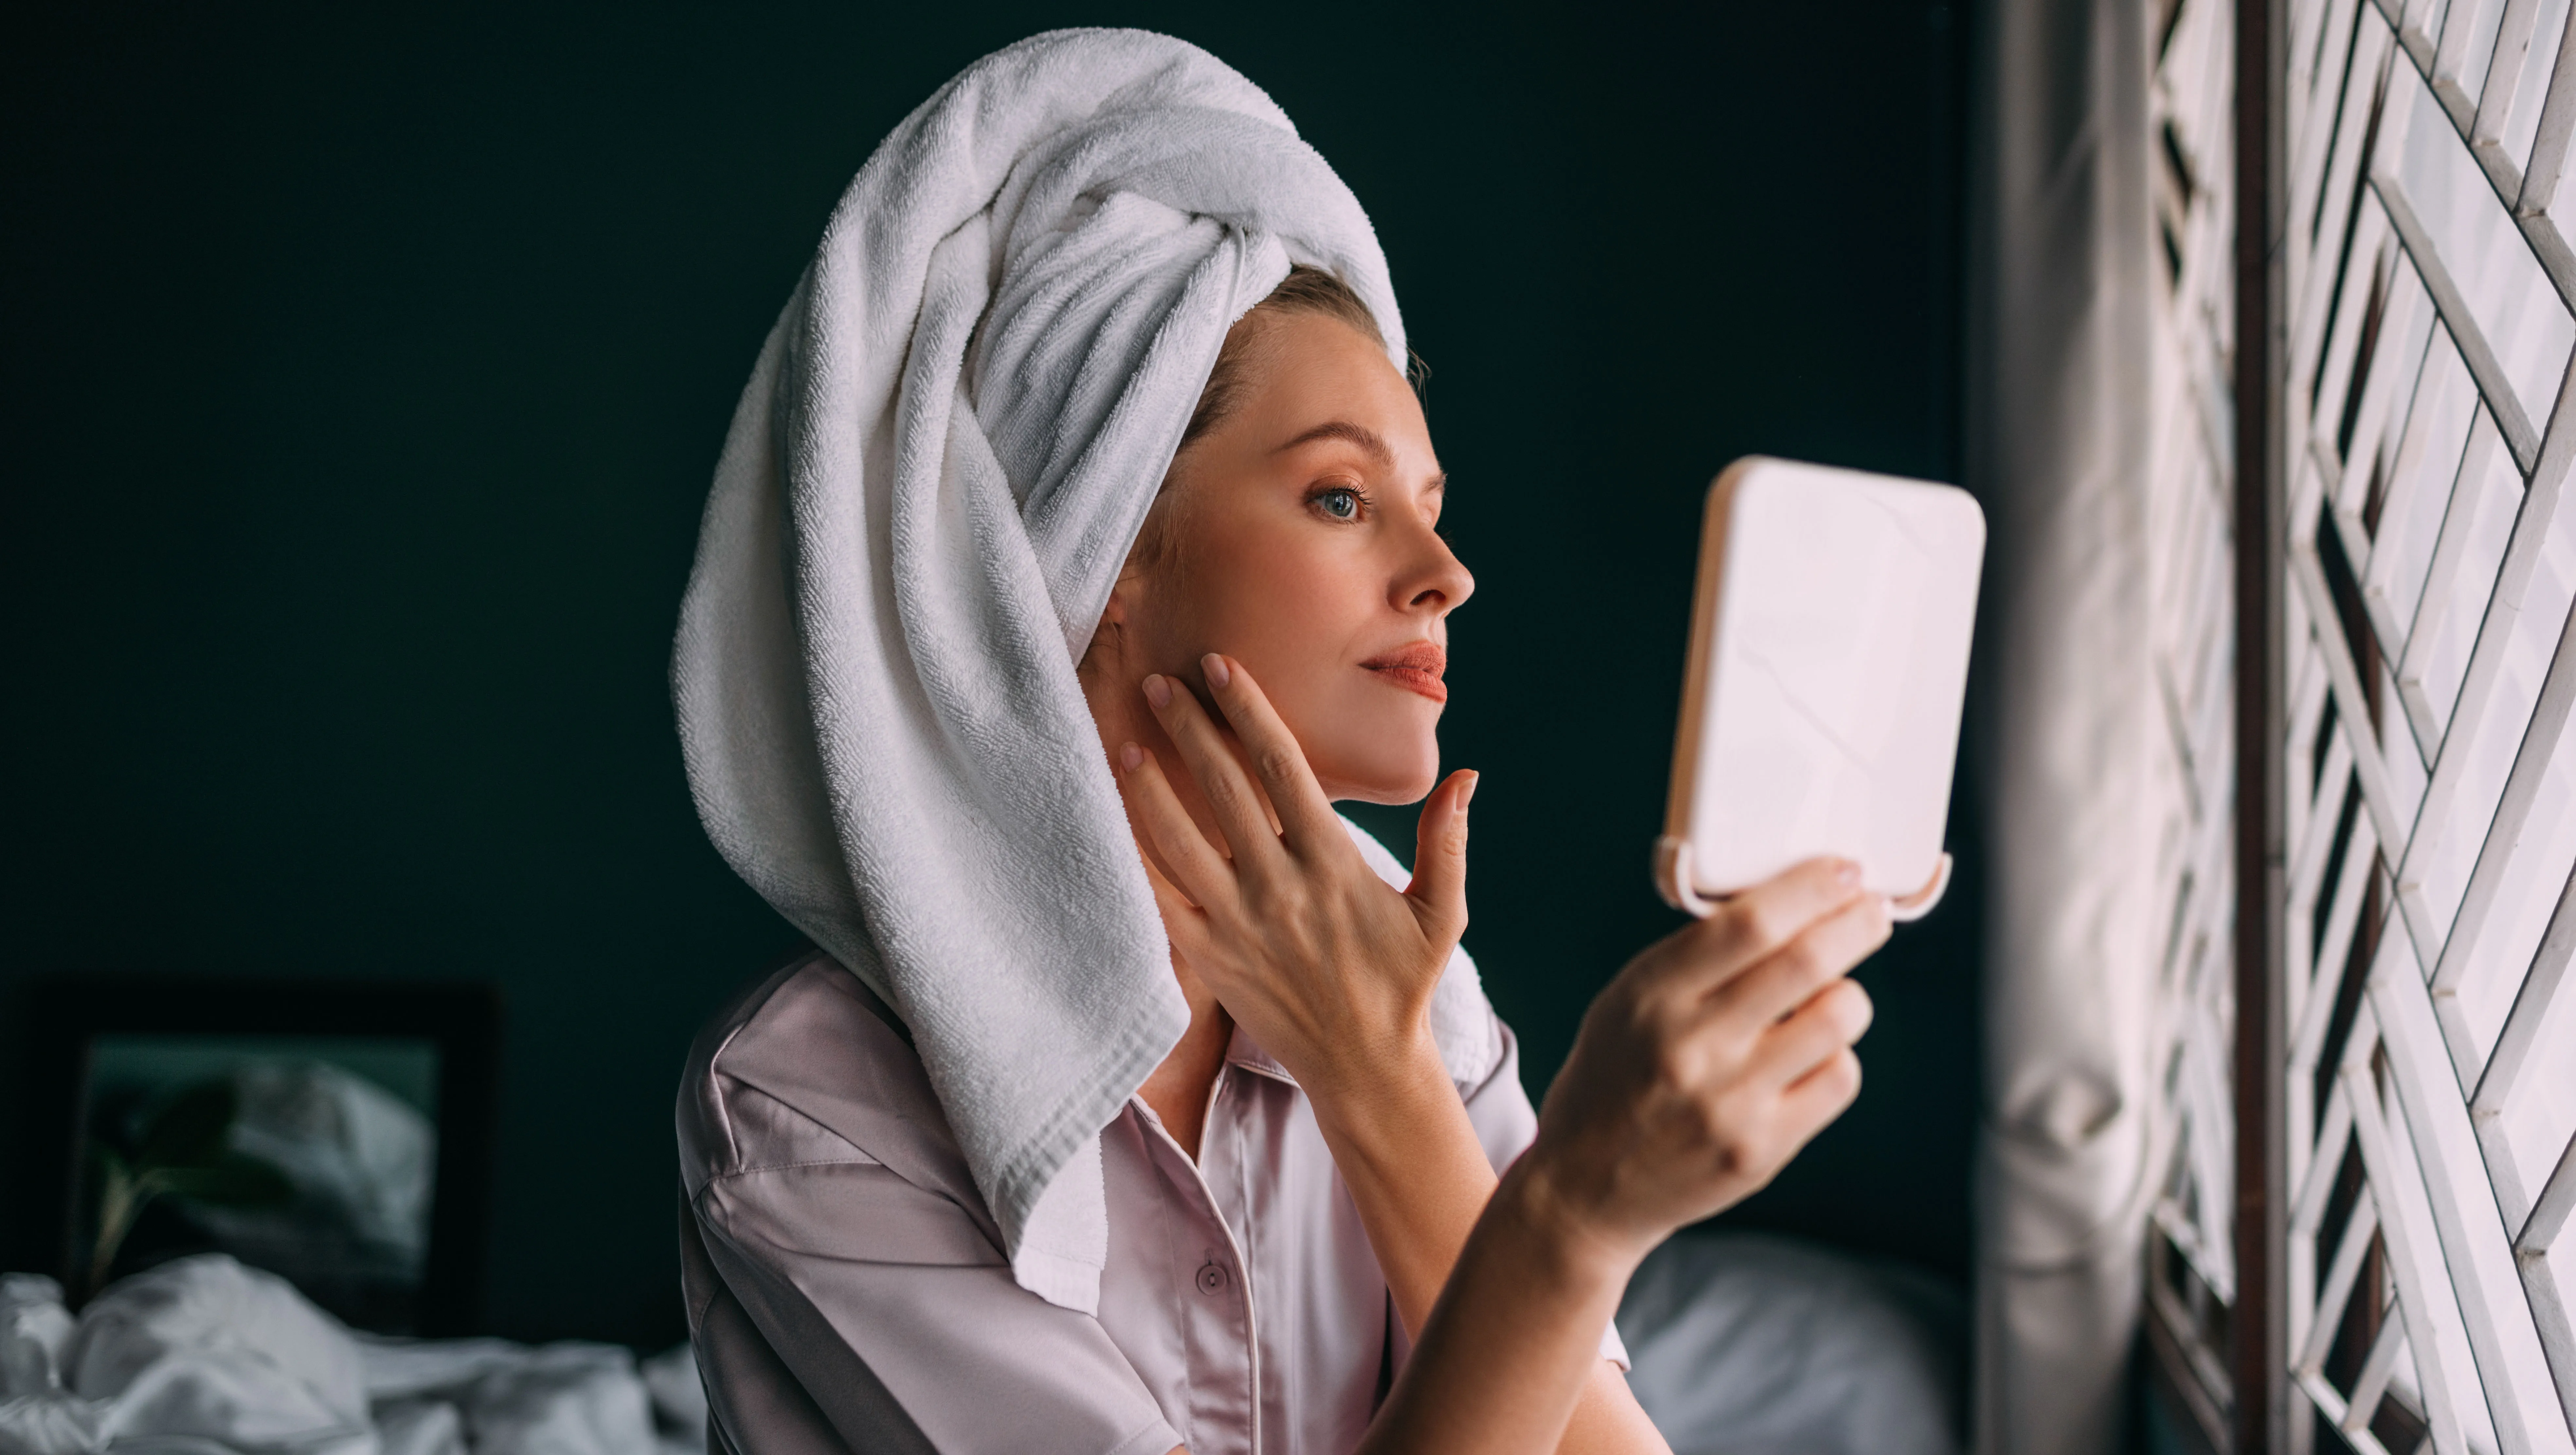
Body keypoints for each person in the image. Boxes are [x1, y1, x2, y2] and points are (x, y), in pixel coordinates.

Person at [672, 31, 1903, 1455]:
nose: (1445, 572)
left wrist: (1388, 1083)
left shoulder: (1403, 981)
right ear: (1099, 542)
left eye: (1432, 502)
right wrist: (1564, 1213)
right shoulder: (808, 1108)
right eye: (1340, 497)